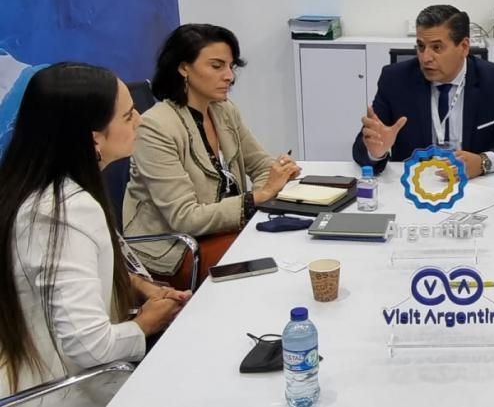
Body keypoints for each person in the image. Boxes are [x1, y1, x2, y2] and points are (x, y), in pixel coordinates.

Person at [0, 63, 190, 396]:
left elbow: (68, 272)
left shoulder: (36, 189)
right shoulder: (64, 213)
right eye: (128, 116)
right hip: (65, 390)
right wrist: (145, 324)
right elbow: (90, 347)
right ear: (93, 138)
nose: (140, 120)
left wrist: (136, 285)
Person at [123, 24, 300, 287]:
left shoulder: (224, 110)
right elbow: (185, 217)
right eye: (217, 66)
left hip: (223, 230)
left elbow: (262, 165)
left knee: (292, 241)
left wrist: (275, 179)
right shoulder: (155, 127)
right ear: (184, 68)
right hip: (176, 247)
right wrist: (259, 197)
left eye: (231, 66)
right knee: (269, 262)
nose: (229, 76)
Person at [352, 5, 494, 178]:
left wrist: (483, 162)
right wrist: (376, 152)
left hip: (475, 182)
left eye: (437, 48)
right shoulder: (395, 80)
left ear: (464, 47)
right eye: (421, 46)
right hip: (415, 183)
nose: (425, 58)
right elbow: (362, 147)